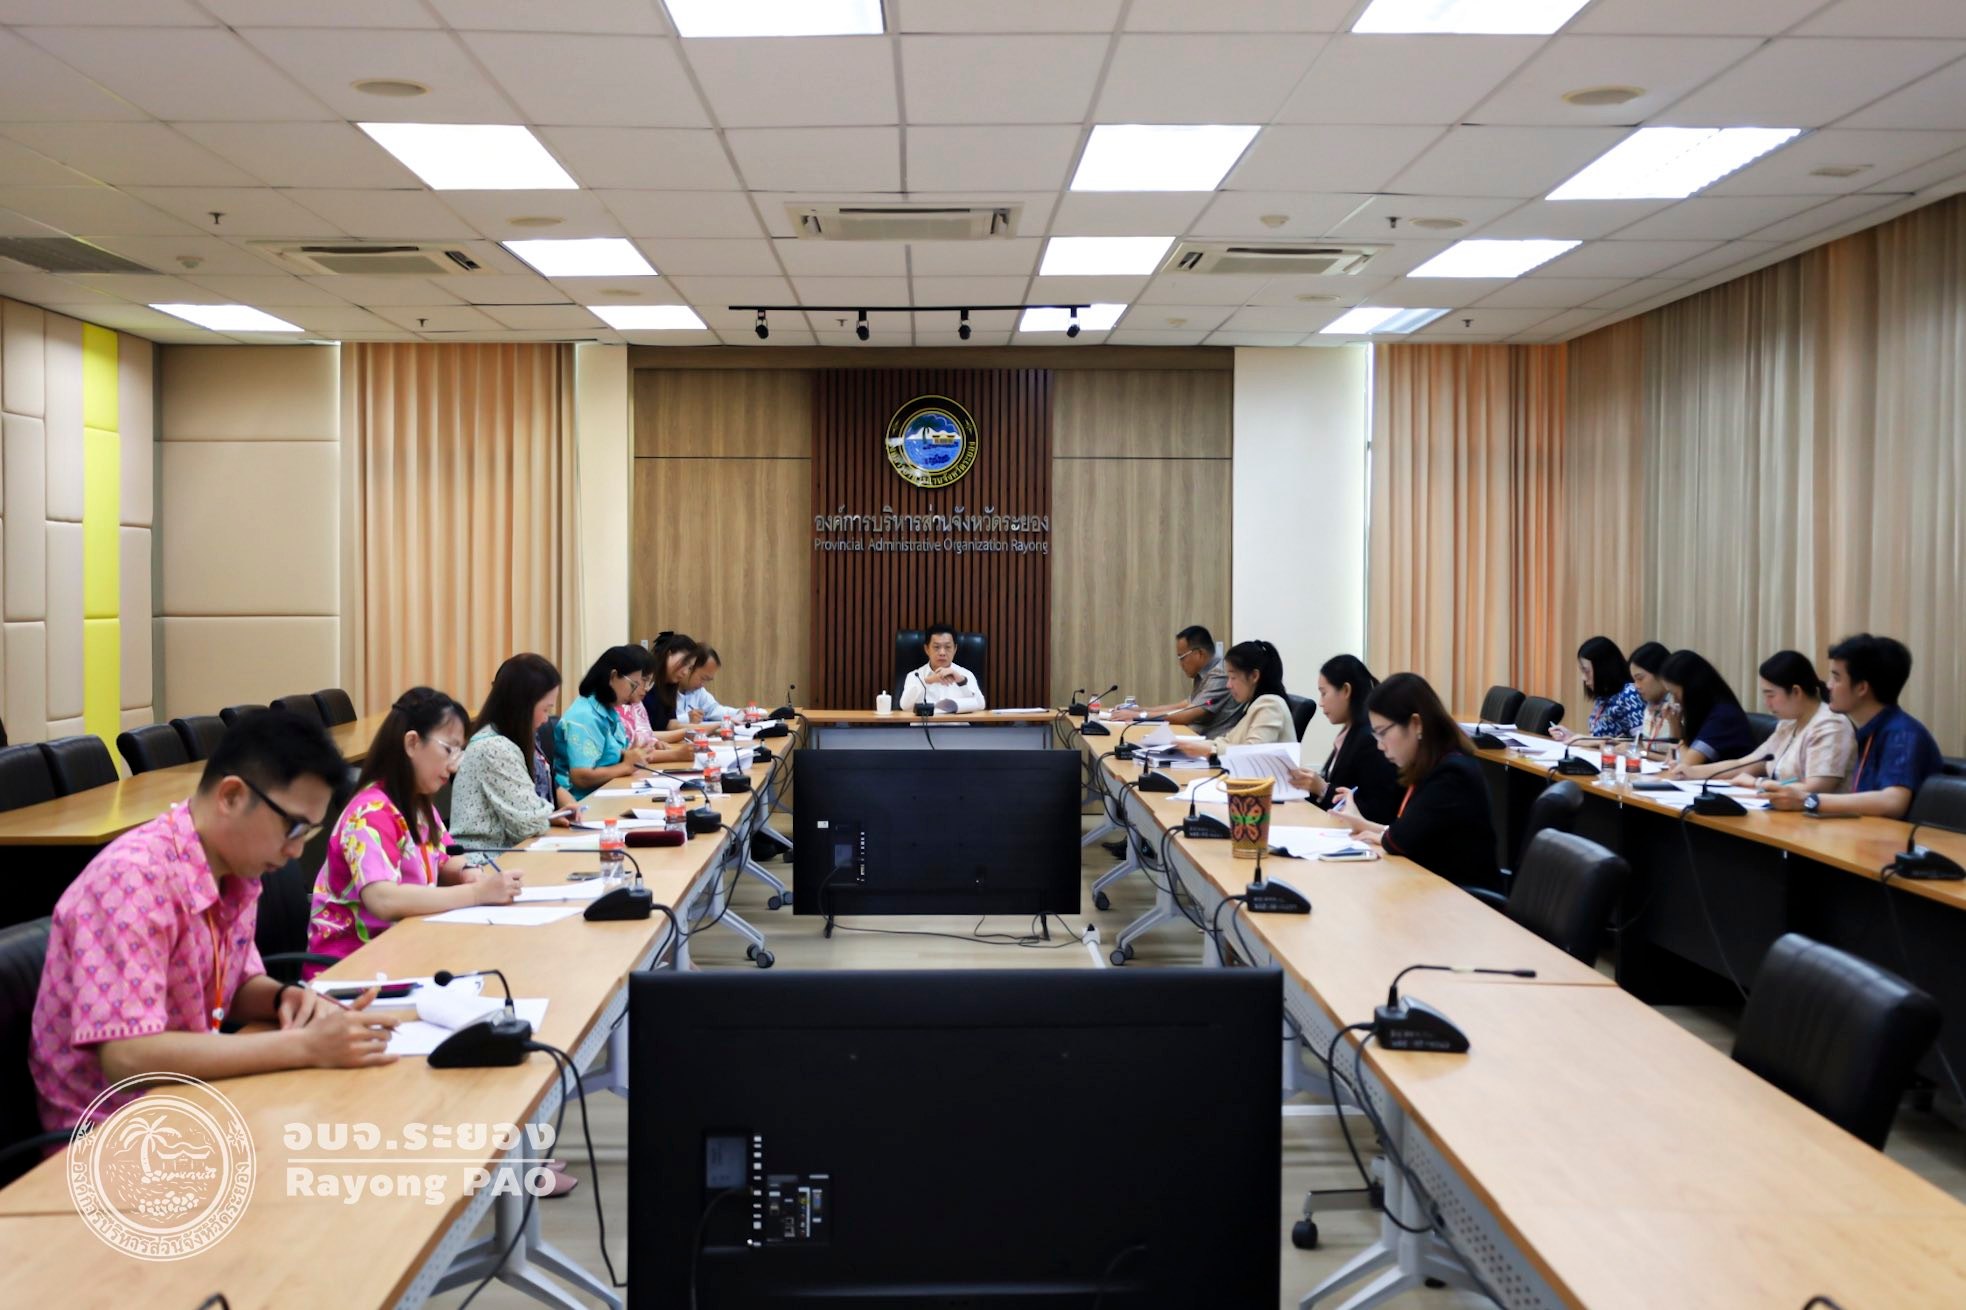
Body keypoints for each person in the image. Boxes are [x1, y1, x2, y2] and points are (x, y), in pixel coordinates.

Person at [31, 709, 405, 1133]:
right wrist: (303, 1046)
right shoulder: (132, 879)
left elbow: (232, 985)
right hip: (113, 1134)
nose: (297, 852)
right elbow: (127, 1056)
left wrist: (284, 997)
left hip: (192, 1102)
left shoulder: (234, 870)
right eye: (294, 828)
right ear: (231, 796)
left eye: (308, 833)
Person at [307, 688, 521, 970]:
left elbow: (445, 857)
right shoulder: (371, 812)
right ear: (412, 743)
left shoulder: (418, 804)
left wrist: (467, 872)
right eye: (448, 749)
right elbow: (383, 899)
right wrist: (477, 894)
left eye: (459, 752)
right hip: (352, 968)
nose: (454, 765)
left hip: (404, 949)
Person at [1331, 672, 1502, 894]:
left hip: (1464, 901)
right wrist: (1362, 823)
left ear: (1416, 724)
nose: (1380, 746)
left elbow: (1398, 840)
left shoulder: (1451, 774)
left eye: (1383, 733)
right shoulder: (1434, 764)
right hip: (1435, 890)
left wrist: (1372, 828)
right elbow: (1406, 832)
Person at [1767, 634, 1943, 819]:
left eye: (1836, 678)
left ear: (1861, 688)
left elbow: (1893, 802)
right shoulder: (1869, 730)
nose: (1829, 685)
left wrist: (1809, 800)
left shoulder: (1901, 734)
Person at [452, 653, 583, 852]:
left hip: (511, 852)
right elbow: (528, 825)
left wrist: (548, 816)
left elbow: (527, 815)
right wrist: (544, 816)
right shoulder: (494, 748)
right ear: (523, 705)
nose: (546, 719)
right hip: (487, 859)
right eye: (546, 709)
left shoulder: (509, 739)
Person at [1675, 650, 1855, 792]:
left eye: (1771, 695)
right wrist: (1692, 772)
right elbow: (1743, 764)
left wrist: (1758, 784)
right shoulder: (1788, 724)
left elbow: (1816, 788)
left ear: (1796, 692)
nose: (1767, 703)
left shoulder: (1831, 725)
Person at [1287, 654, 1400, 823]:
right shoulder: (1351, 732)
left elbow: (1377, 812)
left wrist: (1323, 789)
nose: (1321, 702)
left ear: (1346, 690)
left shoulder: (1370, 739)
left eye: (1324, 693)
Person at [558, 647, 665, 797]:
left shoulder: (609, 711)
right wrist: (626, 766)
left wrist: (630, 755)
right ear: (613, 677)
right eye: (633, 685)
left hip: (608, 792)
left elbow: (609, 757)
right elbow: (581, 777)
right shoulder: (585, 716)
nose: (633, 691)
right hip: (583, 802)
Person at [1110, 625, 1246, 736]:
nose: (1180, 663)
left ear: (1199, 654)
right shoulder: (1205, 672)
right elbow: (1184, 705)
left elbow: (1187, 715)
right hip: (1195, 738)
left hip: (1210, 746)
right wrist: (1139, 709)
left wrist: (1138, 715)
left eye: (1182, 657)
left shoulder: (1220, 674)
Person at [1174, 639, 1294, 756]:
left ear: (1254, 676)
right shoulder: (1253, 704)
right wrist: (1191, 745)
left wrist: (1210, 749)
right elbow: (1227, 740)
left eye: (1233, 678)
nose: (1228, 685)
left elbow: (1253, 753)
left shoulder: (1270, 705)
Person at [1659, 650, 1757, 775]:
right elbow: (1672, 760)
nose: (1674, 701)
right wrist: (1674, 725)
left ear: (1692, 688)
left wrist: (1676, 732)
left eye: (1675, 694)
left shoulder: (1723, 716)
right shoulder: (1702, 712)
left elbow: (1687, 765)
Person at [1550, 636, 1646, 743]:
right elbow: (1597, 738)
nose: (1583, 678)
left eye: (1586, 671)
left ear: (1603, 668)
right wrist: (1571, 736)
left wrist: (1588, 741)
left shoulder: (1629, 694)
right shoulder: (1604, 696)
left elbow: (1640, 744)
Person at [899, 622, 987, 713]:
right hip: (926, 723)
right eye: (936, 647)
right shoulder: (915, 676)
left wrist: (962, 682)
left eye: (947, 647)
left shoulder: (965, 675)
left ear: (955, 649)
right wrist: (927, 681)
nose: (942, 653)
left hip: (957, 723)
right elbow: (905, 706)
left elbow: (981, 706)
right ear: (927, 649)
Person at [641, 631, 702, 734]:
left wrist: (716, 726)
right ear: (669, 654)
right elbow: (645, 734)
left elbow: (671, 724)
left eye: (689, 668)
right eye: (684, 663)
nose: (685, 672)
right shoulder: (646, 682)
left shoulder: (669, 686)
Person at [1628, 641, 1675, 751]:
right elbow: (1648, 748)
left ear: (1660, 673)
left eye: (1640, 678)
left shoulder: (1677, 705)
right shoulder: (1650, 704)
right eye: (1634, 680)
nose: (1636, 686)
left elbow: (1677, 757)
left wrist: (1639, 752)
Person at [675, 645, 735, 725]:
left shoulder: (698, 691)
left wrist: (739, 713)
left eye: (707, 680)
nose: (702, 685)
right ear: (689, 667)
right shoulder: (664, 690)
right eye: (703, 678)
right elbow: (661, 722)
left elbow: (713, 710)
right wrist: (686, 718)